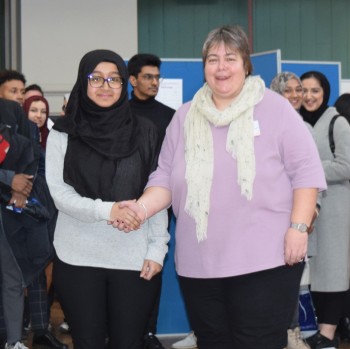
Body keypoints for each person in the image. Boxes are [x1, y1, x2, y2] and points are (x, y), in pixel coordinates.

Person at [115, 25, 326, 349]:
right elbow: (165, 177)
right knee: (213, 342)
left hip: (266, 261)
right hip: (200, 264)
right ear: (204, 67)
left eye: (230, 57)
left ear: (246, 64)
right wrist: (140, 209)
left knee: (257, 343)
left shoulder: (275, 109)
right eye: (213, 59)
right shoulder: (184, 117)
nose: (221, 67)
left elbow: (306, 172)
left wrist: (298, 228)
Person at [45, 49, 169, 349]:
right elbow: (60, 194)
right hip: (77, 257)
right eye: (96, 78)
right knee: (87, 342)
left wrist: (157, 248)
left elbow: (157, 190)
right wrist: (108, 210)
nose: (105, 86)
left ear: (125, 83)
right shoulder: (63, 133)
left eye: (114, 79)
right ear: (83, 82)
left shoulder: (146, 132)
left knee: (128, 343)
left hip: (134, 258)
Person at [299, 71, 350, 349]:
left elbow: (347, 165)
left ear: (325, 93)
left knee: (332, 272)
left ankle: (328, 332)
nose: (308, 96)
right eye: (304, 90)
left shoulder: (337, 123)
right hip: (309, 209)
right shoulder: (298, 122)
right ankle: (322, 328)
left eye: (315, 91)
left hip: (335, 208)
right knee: (316, 274)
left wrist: (311, 169)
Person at [128, 52, 175, 349]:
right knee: (124, 269)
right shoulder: (119, 113)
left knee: (153, 263)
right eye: (148, 77)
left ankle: (148, 330)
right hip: (122, 201)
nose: (154, 82)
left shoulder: (170, 116)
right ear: (132, 80)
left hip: (159, 202)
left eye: (157, 77)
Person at [271, 71, 318, 349]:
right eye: (288, 91)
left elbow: (313, 179)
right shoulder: (265, 125)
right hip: (271, 216)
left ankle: (292, 332)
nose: (296, 96)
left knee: (291, 280)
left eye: (298, 90)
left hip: (297, 218)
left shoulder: (305, 127)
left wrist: (313, 212)